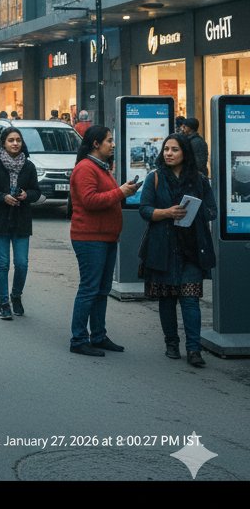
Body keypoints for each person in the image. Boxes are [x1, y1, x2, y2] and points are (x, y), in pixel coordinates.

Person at [138, 132, 216, 367]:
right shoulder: (155, 178)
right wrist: (167, 213)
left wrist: (194, 212)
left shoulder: (199, 180)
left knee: (190, 299)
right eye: (166, 150)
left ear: (185, 153)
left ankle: (194, 349)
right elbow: (144, 210)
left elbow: (212, 209)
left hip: (191, 247)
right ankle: (171, 343)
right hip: (163, 247)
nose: (169, 154)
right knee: (168, 299)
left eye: (174, 150)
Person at [69, 125, 140, 356]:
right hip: (90, 238)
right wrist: (121, 193)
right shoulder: (85, 168)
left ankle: (98, 335)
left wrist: (123, 191)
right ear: (96, 144)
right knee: (90, 289)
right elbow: (90, 201)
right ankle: (79, 339)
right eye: (109, 140)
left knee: (102, 290)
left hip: (106, 237)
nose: (113, 144)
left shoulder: (102, 167)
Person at [0, 126, 40, 320]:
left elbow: (36, 192)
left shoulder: (29, 166)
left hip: (21, 221)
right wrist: (3, 197)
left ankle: (16, 295)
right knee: (3, 264)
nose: (15, 143)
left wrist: (26, 195)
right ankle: (4, 302)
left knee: (22, 264)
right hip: (0, 221)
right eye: (11, 140)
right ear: (4, 144)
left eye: (18, 140)